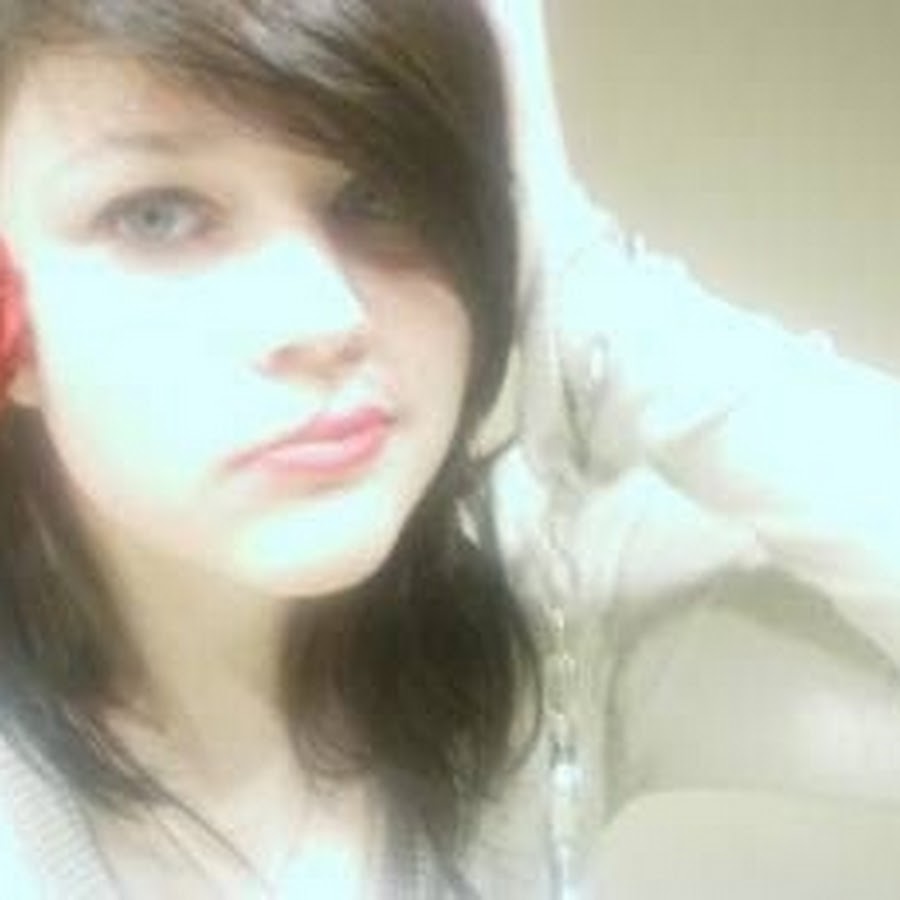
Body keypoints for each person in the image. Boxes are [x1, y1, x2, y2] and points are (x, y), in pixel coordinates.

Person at [0, 1, 898, 898]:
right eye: (156, 215)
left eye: (380, 195)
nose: (322, 314)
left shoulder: (550, 610)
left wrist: (592, 297)